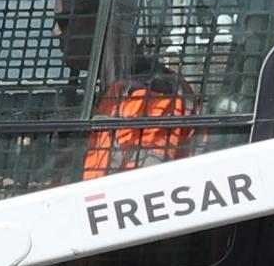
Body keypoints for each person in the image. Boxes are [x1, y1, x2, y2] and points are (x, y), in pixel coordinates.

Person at [84, 30, 199, 177]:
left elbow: (144, 179)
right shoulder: (119, 91)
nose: (56, 32)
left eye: (64, 22)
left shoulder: (147, 93)